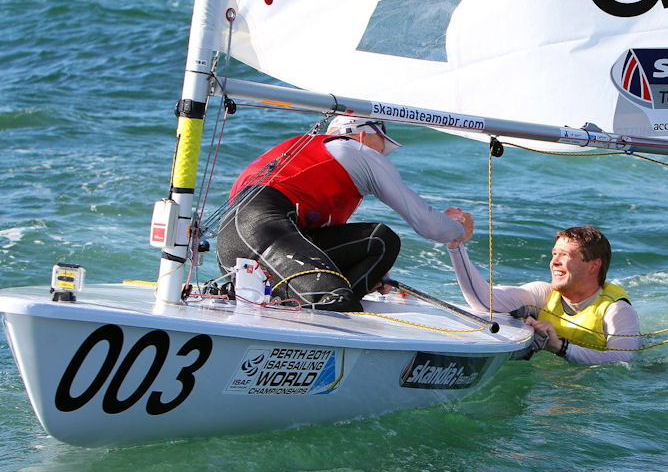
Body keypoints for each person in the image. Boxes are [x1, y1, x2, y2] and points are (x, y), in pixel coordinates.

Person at [216, 116, 467, 312]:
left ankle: (319, 301)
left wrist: (370, 274)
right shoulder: (355, 150)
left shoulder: (308, 157)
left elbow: (308, 244)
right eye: (381, 148)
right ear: (361, 135)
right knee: (339, 301)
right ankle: (330, 306)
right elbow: (431, 227)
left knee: (380, 242)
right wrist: (458, 228)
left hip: (235, 242)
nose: (382, 157)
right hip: (260, 229)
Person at [445, 212, 640, 364]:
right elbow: (485, 302)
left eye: (564, 255)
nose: (554, 262)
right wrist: (456, 247)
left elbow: (622, 361)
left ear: (593, 265)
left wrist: (561, 347)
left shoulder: (616, 310)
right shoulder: (544, 294)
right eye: (554, 254)